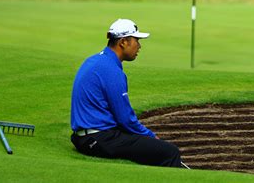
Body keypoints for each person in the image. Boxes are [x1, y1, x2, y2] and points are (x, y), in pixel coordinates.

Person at [70, 19, 183, 168]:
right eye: (136, 40)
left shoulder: (94, 60)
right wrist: (151, 137)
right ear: (123, 42)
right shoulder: (111, 70)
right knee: (169, 152)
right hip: (99, 138)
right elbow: (126, 120)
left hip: (84, 138)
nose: (139, 46)